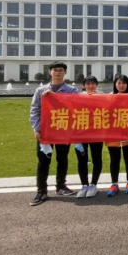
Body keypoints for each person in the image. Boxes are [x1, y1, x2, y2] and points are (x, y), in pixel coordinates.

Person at [29, 61, 78, 206]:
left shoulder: (71, 90)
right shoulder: (40, 91)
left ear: (65, 72)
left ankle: (61, 186)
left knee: (62, 159)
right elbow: (35, 110)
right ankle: (41, 191)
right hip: (45, 132)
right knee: (43, 161)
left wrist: (55, 97)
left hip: (63, 130)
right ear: (50, 72)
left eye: (61, 70)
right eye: (55, 70)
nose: (58, 72)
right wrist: (36, 129)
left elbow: (77, 107)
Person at [106, 74, 128, 197]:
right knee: (114, 159)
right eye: (119, 83)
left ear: (127, 84)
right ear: (115, 84)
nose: (121, 85)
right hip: (113, 133)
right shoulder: (109, 97)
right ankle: (114, 184)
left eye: (124, 83)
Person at [75, 76, 104, 198]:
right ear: (84, 86)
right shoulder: (77, 97)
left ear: (97, 85)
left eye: (93, 84)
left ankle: (93, 184)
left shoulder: (103, 97)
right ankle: (84, 185)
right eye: (88, 84)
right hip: (80, 133)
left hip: (97, 133)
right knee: (82, 159)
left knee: (96, 158)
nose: (90, 86)